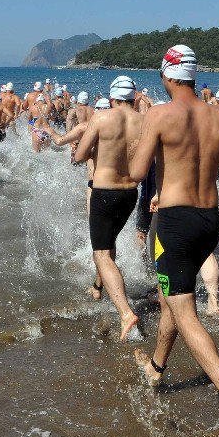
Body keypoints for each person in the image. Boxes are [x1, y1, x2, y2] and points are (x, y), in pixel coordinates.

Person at [130, 45, 219, 437]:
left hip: (173, 224)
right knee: (177, 294)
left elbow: (137, 171)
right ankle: (156, 365)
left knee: (184, 309)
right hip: (210, 220)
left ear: (168, 77)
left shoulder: (158, 114)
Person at [72, 76, 144, 341]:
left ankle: (126, 312)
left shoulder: (102, 119)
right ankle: (98, 287)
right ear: (133, 98)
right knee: (109, 243)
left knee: (101, 254)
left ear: (112, 98)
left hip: (104, 193)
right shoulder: (144, 121)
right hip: (130, 194)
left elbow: (80, 156)